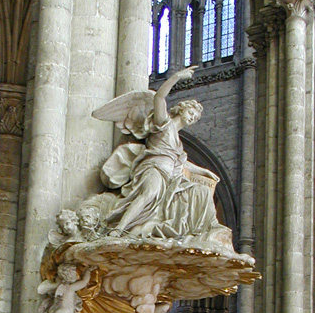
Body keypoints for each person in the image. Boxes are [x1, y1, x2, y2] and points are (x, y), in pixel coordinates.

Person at [97, 66, 226, 242]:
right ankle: (118, 230)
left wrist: (204, 172)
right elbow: (159, 97)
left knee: (201, 191)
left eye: (195, 118)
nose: (191, 118)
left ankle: (203, 232)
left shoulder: (179, 144)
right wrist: (177, 77)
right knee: (149, 193)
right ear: (181, 109)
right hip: (154, 168)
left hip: (170, 177)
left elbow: (182, 163)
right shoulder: (163, 123)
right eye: (190, 113)